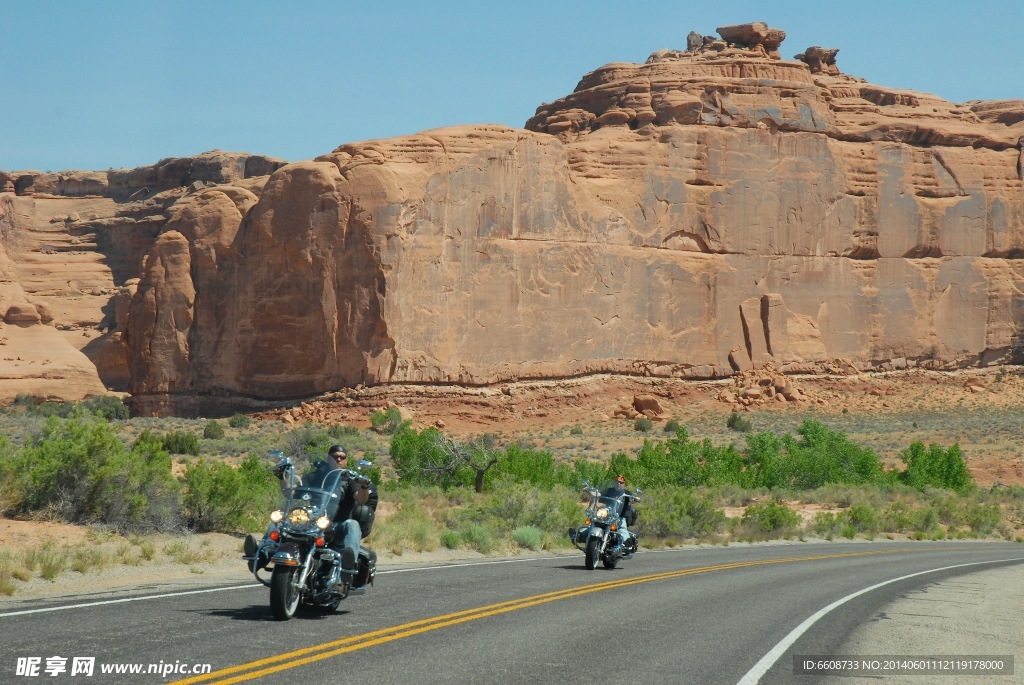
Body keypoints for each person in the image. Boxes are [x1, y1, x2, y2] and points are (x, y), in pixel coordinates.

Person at [275, 444, 377, 587]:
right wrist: (282, 477)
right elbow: (290, 493)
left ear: (346, 460)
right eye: (335, 457)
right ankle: (262, 552)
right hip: (312, 522)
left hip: (337, 525)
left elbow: (361, 499)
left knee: (352, 524)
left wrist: (364, 486)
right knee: (280, 519)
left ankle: (348, 567)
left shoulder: (350, 479)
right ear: (328, 458)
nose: (339, 460)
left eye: (342, 457)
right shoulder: (315, 476)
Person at [601, 474, 638, 553]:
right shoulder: (609, 490)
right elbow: (599, 495)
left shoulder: (626, 493)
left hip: (619, 517)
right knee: (595, 523)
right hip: (607, 515)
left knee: (622, 530)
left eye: (621, 482)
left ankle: (628, 545)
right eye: (617, 482)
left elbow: (632, 499)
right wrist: (589, 491)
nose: (618, 483)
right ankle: (581, 536)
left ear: (623, 484)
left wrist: (636, 499)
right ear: (614, 482)